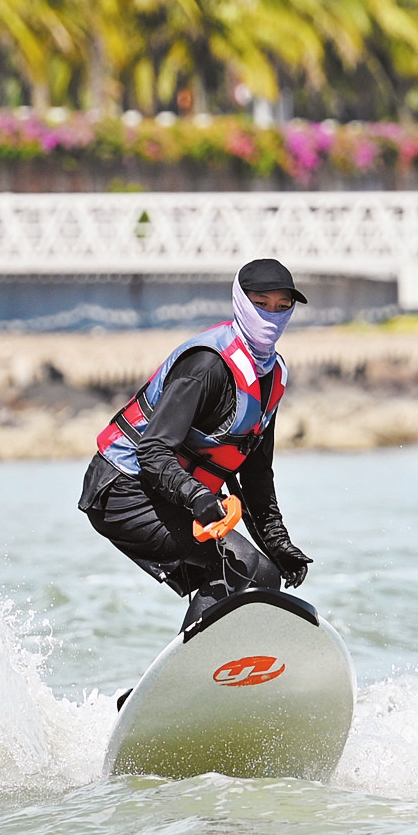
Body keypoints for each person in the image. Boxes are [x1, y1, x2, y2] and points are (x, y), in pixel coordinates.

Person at [79, 259, 315, 630]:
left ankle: (224, 678)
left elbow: (255, 473)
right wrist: (200, 499)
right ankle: (186, 680)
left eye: (282, 306)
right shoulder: (206, 366)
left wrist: (278, 543)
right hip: (122, 489)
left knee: (265, 575)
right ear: (240, 301)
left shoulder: (271, 376)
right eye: (261, 303)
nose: (272, 314)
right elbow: (152, 451)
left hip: (171, 494)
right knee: (242, 568)